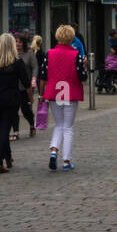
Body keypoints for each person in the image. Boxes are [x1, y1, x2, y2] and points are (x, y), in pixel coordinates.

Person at [41, 25, 83, 171]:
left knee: (59, 124)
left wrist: (41, 94)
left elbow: (43, 76)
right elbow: (82, 77)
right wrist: (83, 65)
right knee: (68, 127)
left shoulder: (49, 53)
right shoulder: (75, 54)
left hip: (54, 92)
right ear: (71, 38)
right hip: (70, 92)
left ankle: (54, 152)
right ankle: (66, 160)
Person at [0, 33, 27, 174]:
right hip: (11, 100)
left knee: (3, 127)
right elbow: (26, 82)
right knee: (4, 130)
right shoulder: (17, 62)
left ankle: (8, 158)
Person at [14, 31, 39, 139]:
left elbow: (35, 67)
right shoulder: (12, 54)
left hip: (26, 87)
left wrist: (34, 78)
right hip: (14, 86)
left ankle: (32, 125)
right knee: (13, 109)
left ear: (23, 43)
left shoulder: (29, 53)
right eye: (16, 42)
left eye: (19, 42)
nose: (17, 44)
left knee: (25, 109)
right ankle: (15, 132)